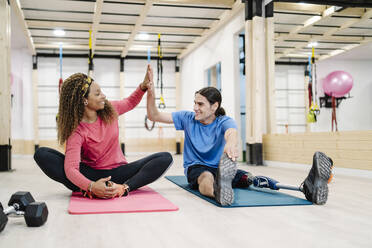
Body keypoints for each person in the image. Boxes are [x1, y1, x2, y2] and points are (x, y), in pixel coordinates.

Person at [146, 70, 333, 206]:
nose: (195, 107)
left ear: (214, 106)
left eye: (200, 104)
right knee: (205, 177)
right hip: (197, 167)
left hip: (221, 167)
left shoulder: (223, 121)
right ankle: (217, 192)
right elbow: (155, 116)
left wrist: (231, 145)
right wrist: (151, 92)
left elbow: (231, 133)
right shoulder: (187, 118)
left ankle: (306, 188)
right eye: (194, 103)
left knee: (250, 179)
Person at [34, 66, 173, 199]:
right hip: (91, 174)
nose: (104, 96)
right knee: (42, 155)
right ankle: (89, 188)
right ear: (84, 100)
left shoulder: (110, 109)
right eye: (98, 93)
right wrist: (91, 186)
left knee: (165, 158)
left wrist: (143, 86)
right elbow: (71, 169)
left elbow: (130, 102)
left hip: (119, 173)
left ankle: (123, 188)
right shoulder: (76, 131)